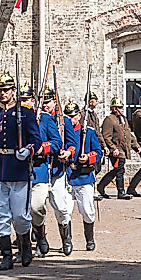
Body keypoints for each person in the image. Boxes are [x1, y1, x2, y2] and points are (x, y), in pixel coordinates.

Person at [0, 72, 41, 271]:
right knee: (0, 214)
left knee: (20, 215)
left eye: (6, 90)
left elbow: (36, 139)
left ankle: (25, 246)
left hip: (18, 168)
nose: (3, 93)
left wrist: (28, 150)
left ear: (14, 91)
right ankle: (6, 254)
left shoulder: (26, 112)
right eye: (0, 90)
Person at [27, 88, 70, 258]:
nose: (45, 104)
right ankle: (30, 244)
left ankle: (61, 238)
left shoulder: (47, 119)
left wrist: (42, 149)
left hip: (47, 170)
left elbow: (58, 142)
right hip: (21, 170)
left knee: (50, 207)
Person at [61, 101, 104, 252]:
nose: (71, 119)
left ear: (79, 116)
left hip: (83, 175)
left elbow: (99, 152)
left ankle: (89, 239)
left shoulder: (89, 132)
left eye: (73, 116)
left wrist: (88, 158)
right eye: (68, 116)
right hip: (67, 175)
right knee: (64, 210)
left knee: (87, 210)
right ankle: (67, 242)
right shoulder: (61, 132)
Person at [97, 97, 138, 200]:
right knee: (119, 170)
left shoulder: (123, 119)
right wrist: (112, 148)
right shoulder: (109, 119)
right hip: (116, 149)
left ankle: (101, 186)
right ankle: (121, 191)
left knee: (118, 169)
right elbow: (106, 136)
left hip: (124, 149)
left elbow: (128, 133)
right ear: (114, 108)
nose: (122, 109)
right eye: (120, 107)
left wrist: (135, 145)